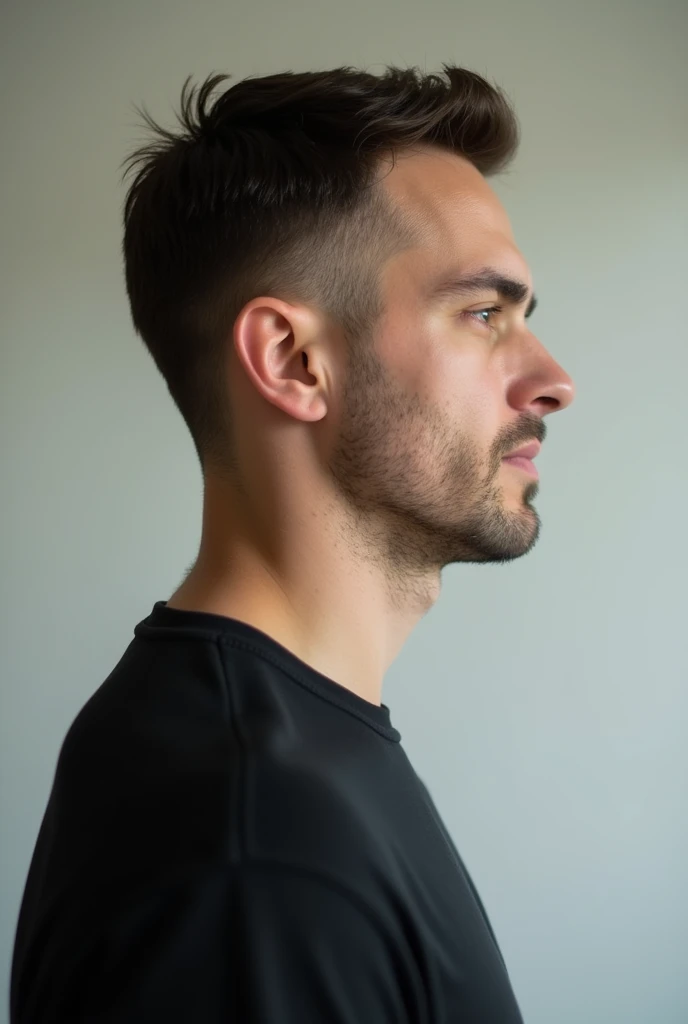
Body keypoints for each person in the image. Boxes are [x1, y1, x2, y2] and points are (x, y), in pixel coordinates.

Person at [10, 64, 575, 1022]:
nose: (552, 380)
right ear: (292, 361)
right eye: (484, 313)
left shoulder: (270, 762)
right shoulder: (258, 851)